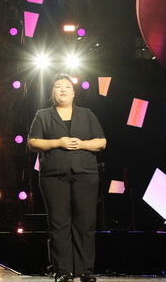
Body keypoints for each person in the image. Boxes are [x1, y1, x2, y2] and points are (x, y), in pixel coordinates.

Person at [28, 73, 107, 282]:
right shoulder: (43, 115)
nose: (63, 89)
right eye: (58, 86)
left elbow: (101, 141)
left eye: (67, 86)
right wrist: (58, 142)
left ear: (74, 93)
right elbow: (33, 142)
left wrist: (82, 144)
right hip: (53, 174)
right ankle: (64, 271)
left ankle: (85, 270)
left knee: (85, 222)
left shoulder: (87, 114)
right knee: (58, 222)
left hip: (85, 173)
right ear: (51, 92)